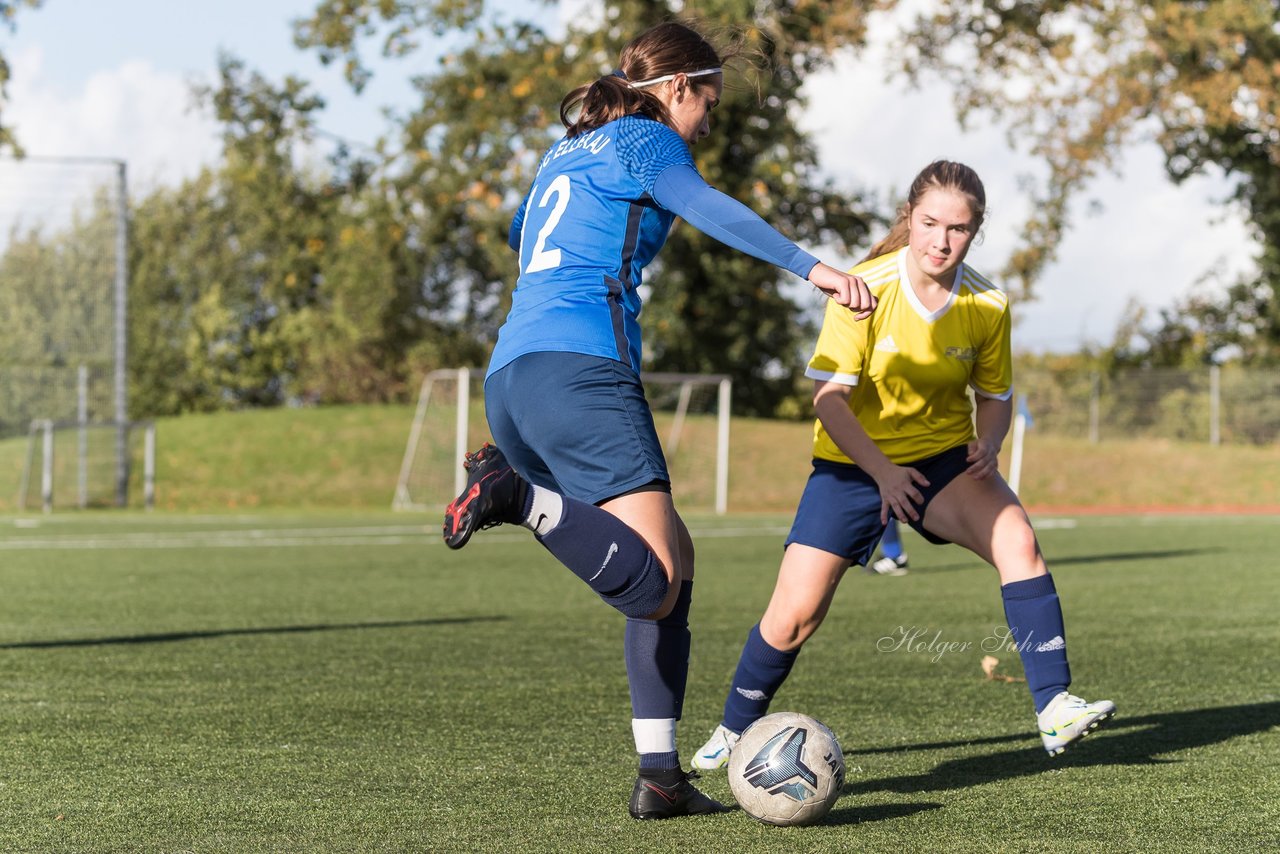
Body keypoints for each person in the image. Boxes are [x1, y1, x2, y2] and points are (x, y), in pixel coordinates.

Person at [439, 21, 876, 820]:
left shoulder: (566, 150)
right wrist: (812, 268)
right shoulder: (643, 140)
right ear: (677, 89)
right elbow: (709, 208)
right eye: (707, 103)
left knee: (674, 564)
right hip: (581, 370)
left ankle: (660, 776)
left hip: (513, 376)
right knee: (652, 581)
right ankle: (514, 497)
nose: (707, 123)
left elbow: (522, 233)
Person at [692, 160, 1115, 771]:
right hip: (852, 464)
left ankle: (1054, 708)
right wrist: (884, 474)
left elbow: (995, 398)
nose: (941, 241)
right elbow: (829, 401)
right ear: (908, 218)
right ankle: (734, 732)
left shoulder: (988, 304)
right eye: (929, 223)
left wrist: (990, 442)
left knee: (1018, 540)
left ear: (977, 231)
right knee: (794, 616)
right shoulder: (863, 288)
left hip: (943, 461)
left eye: (960, 229)